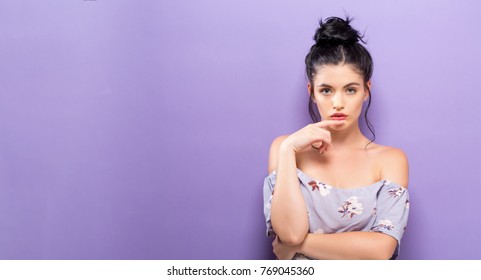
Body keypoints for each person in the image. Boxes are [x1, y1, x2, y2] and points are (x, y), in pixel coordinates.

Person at [263, 16, 410, 260]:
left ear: (366, 90)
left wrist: (300, 245)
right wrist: (289, 149)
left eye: (350, 89)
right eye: (326, 90)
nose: (338, 103)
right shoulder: (285, 149)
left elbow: (380, 250)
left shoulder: (391, 160)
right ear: (312, 92)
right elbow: (289, 233)